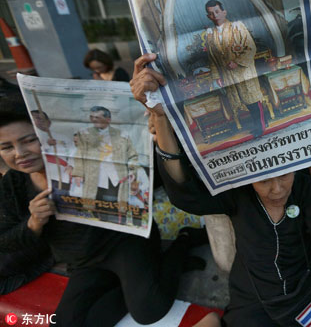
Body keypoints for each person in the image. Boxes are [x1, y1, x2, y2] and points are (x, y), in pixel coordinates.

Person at [130, 53, 311, 327]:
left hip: (300, 294)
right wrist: (160, 117)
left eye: (284, 176)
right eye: (264, 180)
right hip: (252, 298)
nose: (277, 189)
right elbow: (184, 192)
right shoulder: (238, 192)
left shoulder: (304, 184)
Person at [0, 98, 207, 326]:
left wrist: (158, 139)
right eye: (6, 147)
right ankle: (134, 284)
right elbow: (5, 241)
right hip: (83, 262)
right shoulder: (13, 183)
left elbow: (156, 177)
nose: (19, 153)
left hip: (125, 243)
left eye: (29, 141)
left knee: (149, 311)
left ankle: (182, 243)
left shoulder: (87, 156)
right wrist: (33, 223)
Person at [204, 0, 265, 137]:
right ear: (208, 17)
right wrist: (216, 76)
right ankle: (258, 124)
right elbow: (212, 59)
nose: (215, 15)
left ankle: (260, 126)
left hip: (244, 71)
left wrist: (237, 62)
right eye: (211, 14)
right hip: (228, 75)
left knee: (252, 99)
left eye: (217, 11)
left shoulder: (237, 27)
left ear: (224, 12)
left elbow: (251, 47)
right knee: (242, 101)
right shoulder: (210, 35)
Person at [71, 106, 138, 220]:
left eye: (97, 117)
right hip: (93, 177)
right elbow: (79, 155)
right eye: (91, 117)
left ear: (108, 119)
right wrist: (78, 174)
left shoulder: (122, 135)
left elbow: (133, 156)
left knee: (114, 207)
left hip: (116, 178)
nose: (93, 120)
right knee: (94, 206)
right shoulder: (84, 134)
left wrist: (132, 171)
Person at [30, 110, 72, 191]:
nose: (40, 121)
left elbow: (73, 153)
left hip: (64, 173)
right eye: (36, 118)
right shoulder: (32, 139)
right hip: (43, 178)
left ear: (49, 122)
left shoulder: (62, 137)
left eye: (42, 119)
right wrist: (47, 145)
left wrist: (71, 165)